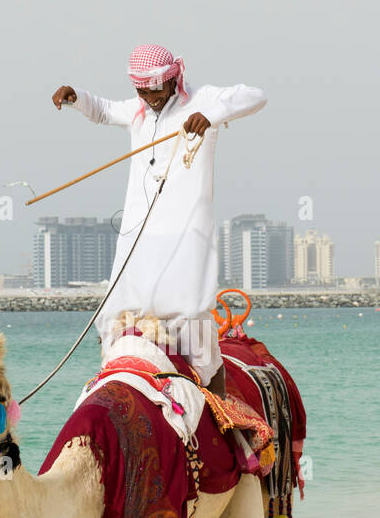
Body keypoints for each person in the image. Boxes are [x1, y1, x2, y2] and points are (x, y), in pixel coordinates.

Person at [51, 44, 266, 394]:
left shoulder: (200, 100)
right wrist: (77, 98)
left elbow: (256, 96)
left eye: (155, 89)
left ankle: (219, 410)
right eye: (142, 89)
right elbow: (104, 110)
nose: (149, 97)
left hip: (186, 233)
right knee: (117, 313)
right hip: (140, 235)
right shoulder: (138, 112)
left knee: (189, 318)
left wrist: (210, 115)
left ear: (173, 80)